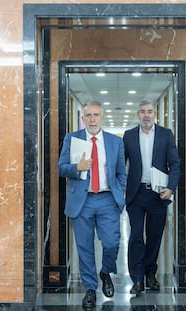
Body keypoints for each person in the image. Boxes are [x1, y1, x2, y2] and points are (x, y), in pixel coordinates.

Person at [58, 101, 127, 308]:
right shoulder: (72, 139)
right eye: (88, 115)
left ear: (102, 116)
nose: (92, 119)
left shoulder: (115, 142)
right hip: (82, 200)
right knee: (85, 247)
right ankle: (90, 289)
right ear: (83, 118)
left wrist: (120, 192)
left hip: (107, 199)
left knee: (112, 243)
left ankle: (105, 271)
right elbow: (61, 168)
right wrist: (76, 167)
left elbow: (121, 172)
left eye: (96, 115)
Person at [123, 100, 180, 296]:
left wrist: (171, 188)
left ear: (154, 114)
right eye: (142, 112)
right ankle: (137, 279)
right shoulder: (129, 136)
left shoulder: (166, 134)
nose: (146, 115)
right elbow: (121, 165)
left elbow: (175, 164)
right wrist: (121, 187)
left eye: (149, 112)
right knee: (136, 236)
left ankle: (150, 274)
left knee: (154, 237)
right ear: (137, 114)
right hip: (136, 194)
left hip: (158, 194)